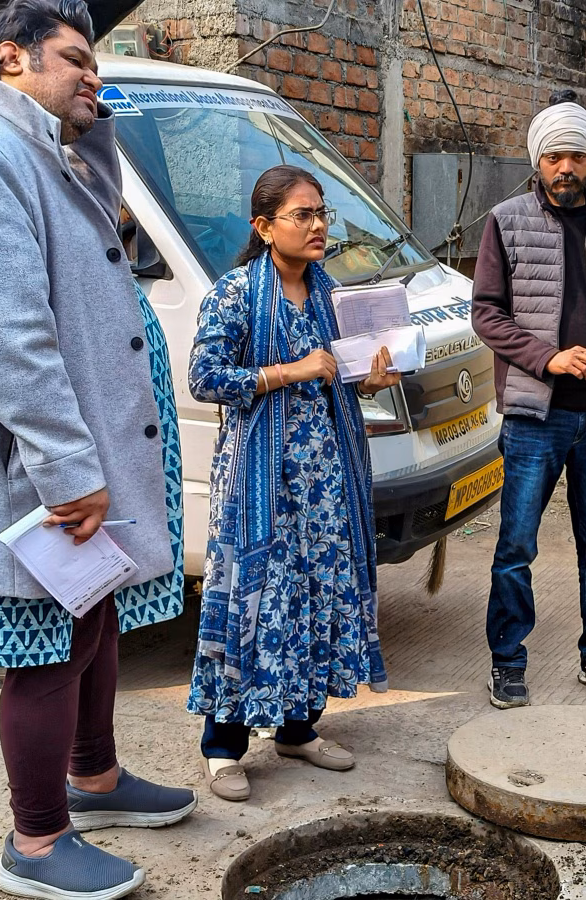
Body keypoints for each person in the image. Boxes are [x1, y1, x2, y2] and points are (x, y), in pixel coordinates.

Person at [0, 2, 194, 898]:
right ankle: (33, 843)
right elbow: (7, 334)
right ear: (13, 57)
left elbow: (95, 228)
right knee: (45, 647)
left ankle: (94, 778)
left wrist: (93, 133)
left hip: (81, 442)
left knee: (92, 618)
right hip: (34, 459)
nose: (90, 75)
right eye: (74, 60)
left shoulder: (32, 142)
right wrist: (67, 467)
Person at [186, 164, 401, 803]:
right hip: (260, 486)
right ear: (263, 226)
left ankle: (297, 729)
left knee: (311, 598)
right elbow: (204, 378)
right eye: (301, 215)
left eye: (321, 213)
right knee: (252, 600)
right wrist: (288, 371)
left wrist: (367, 380)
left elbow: (335, 372)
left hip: (327, 481)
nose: (317, 226)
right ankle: (222, 747)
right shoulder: (234, 294)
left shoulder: (330, 290)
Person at [471, 91, 586, 710]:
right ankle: (507, 662)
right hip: (533, 413)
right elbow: (487, 316)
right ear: (538, 161)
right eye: (554, 158)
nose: (565, 168)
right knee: (516, 545)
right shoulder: (506, 220)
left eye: (576, 155)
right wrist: (546, 357)